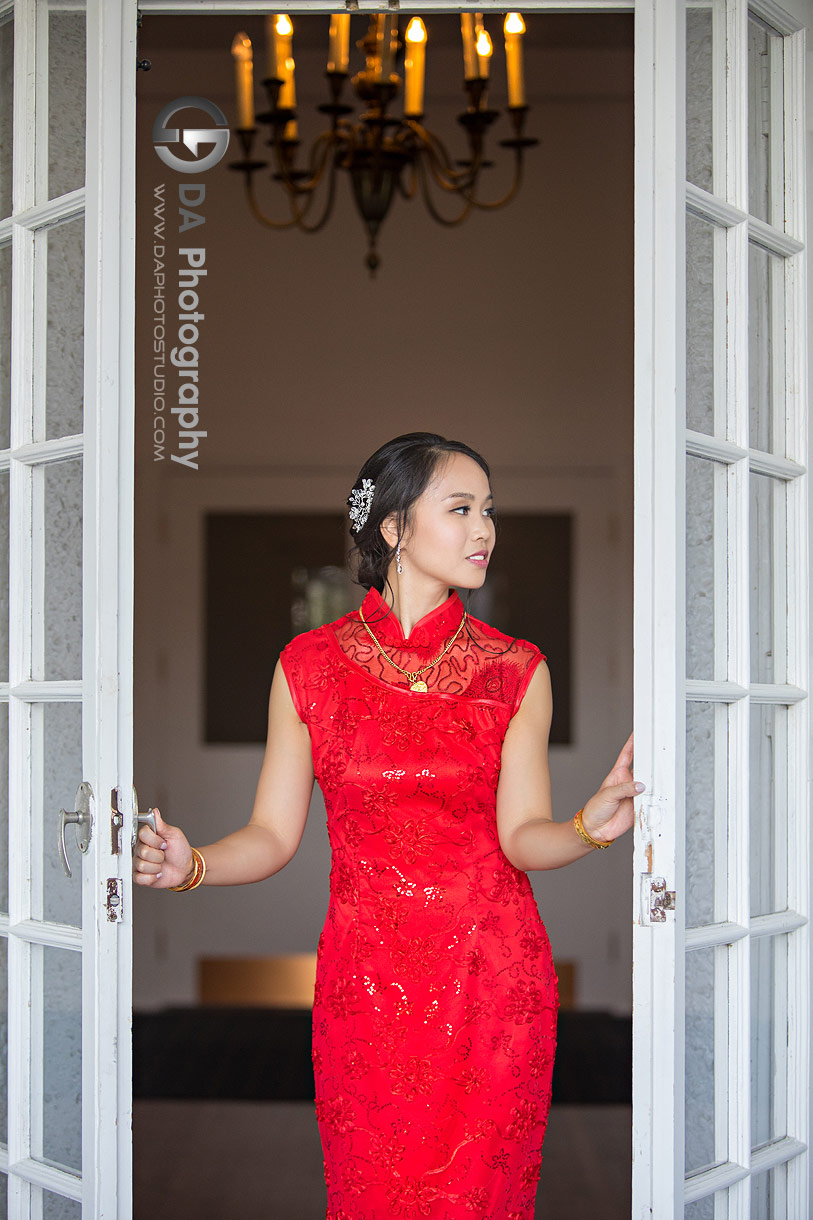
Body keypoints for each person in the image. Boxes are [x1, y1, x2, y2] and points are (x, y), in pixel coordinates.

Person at [134, 431, 640, 1219]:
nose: (484, 530)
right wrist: (189, 862)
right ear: (395, 528)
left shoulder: (516, 669)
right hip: (365, 991)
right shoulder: (306, 666)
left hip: (491, 985)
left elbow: (521, 838)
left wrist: (589, 825)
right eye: (461, 508)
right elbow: (270, 835)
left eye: (489, 510)